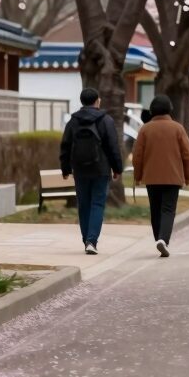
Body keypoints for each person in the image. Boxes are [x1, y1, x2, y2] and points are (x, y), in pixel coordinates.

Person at [59, 88, 123, 255]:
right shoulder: (106, 120)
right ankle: (91, 241)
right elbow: (113, 147)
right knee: (97, 204)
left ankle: (86, 238)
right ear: (98, 101)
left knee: (84, 204)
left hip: (80, 169)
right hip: (101, 169)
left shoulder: (73, 121)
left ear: (82, 101)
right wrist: (117, 168)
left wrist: (65, 168)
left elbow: (65, 146)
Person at [131, 94, 189, 256]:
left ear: (152, 110)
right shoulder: (178, 128)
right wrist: (188, 176)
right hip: (173, 177)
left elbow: (137, 156)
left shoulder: (145, 129)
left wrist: (138, 176)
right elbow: (187, 154)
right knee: (168, 209)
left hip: (151, 177)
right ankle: (163, 240)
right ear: (170, 109)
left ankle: (158, 239)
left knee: (155, 209)